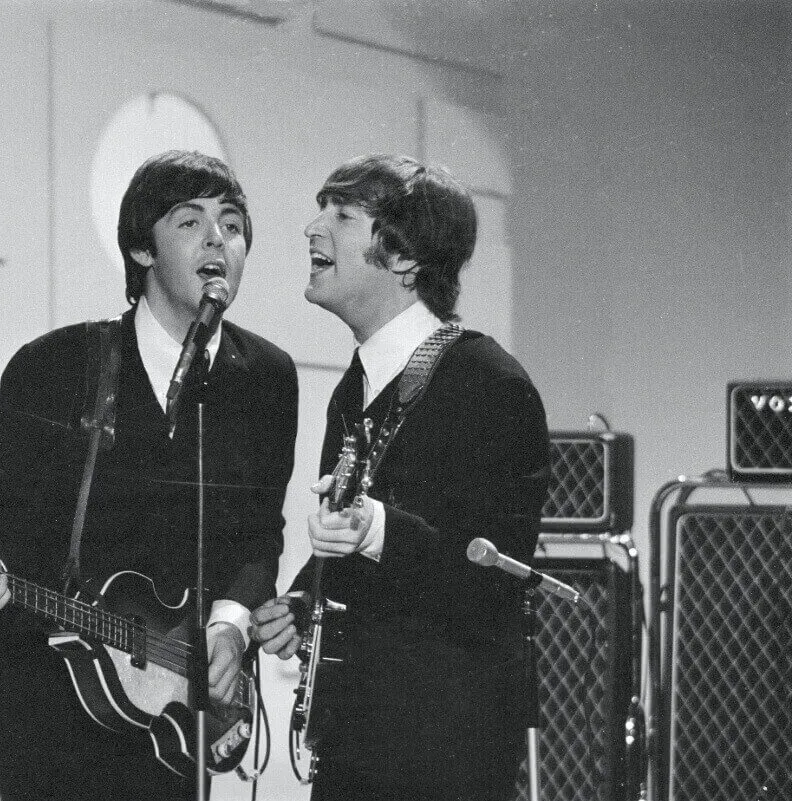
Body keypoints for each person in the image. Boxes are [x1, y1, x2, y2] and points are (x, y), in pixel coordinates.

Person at [0, 150, 298, 801]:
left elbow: (260, 536)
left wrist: (228, 624)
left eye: (232, 223)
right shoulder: (56, 365)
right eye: (190, 221)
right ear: (142, 249)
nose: (218, 238)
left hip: (175, 718)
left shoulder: (267, 377)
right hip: (49, 716)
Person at [251, 154, 549, 801]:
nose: (312, 227)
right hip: (355, 749)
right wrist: (305, 600)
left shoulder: (490, 385)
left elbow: (495, 579)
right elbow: (361, 556)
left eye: (342, 214)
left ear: (406, 258)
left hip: (443, 764)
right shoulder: (354, 389)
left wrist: (376, 527)